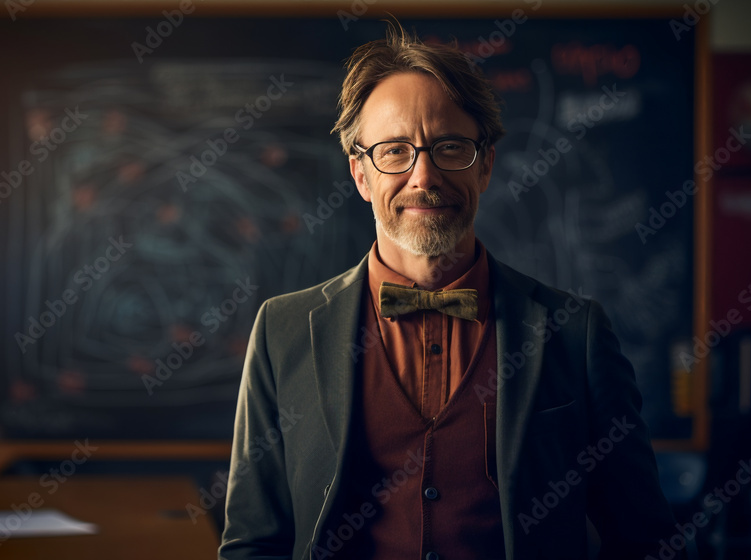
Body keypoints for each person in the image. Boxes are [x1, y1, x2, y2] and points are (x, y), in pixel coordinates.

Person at [219, 24, 683, 560]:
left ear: (485, 164)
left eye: (450, 147)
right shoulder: (283, 331)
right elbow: (254, 544)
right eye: (394, 151)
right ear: (361, 174)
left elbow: (646, 541)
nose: (424, 176)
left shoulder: (575, 335)